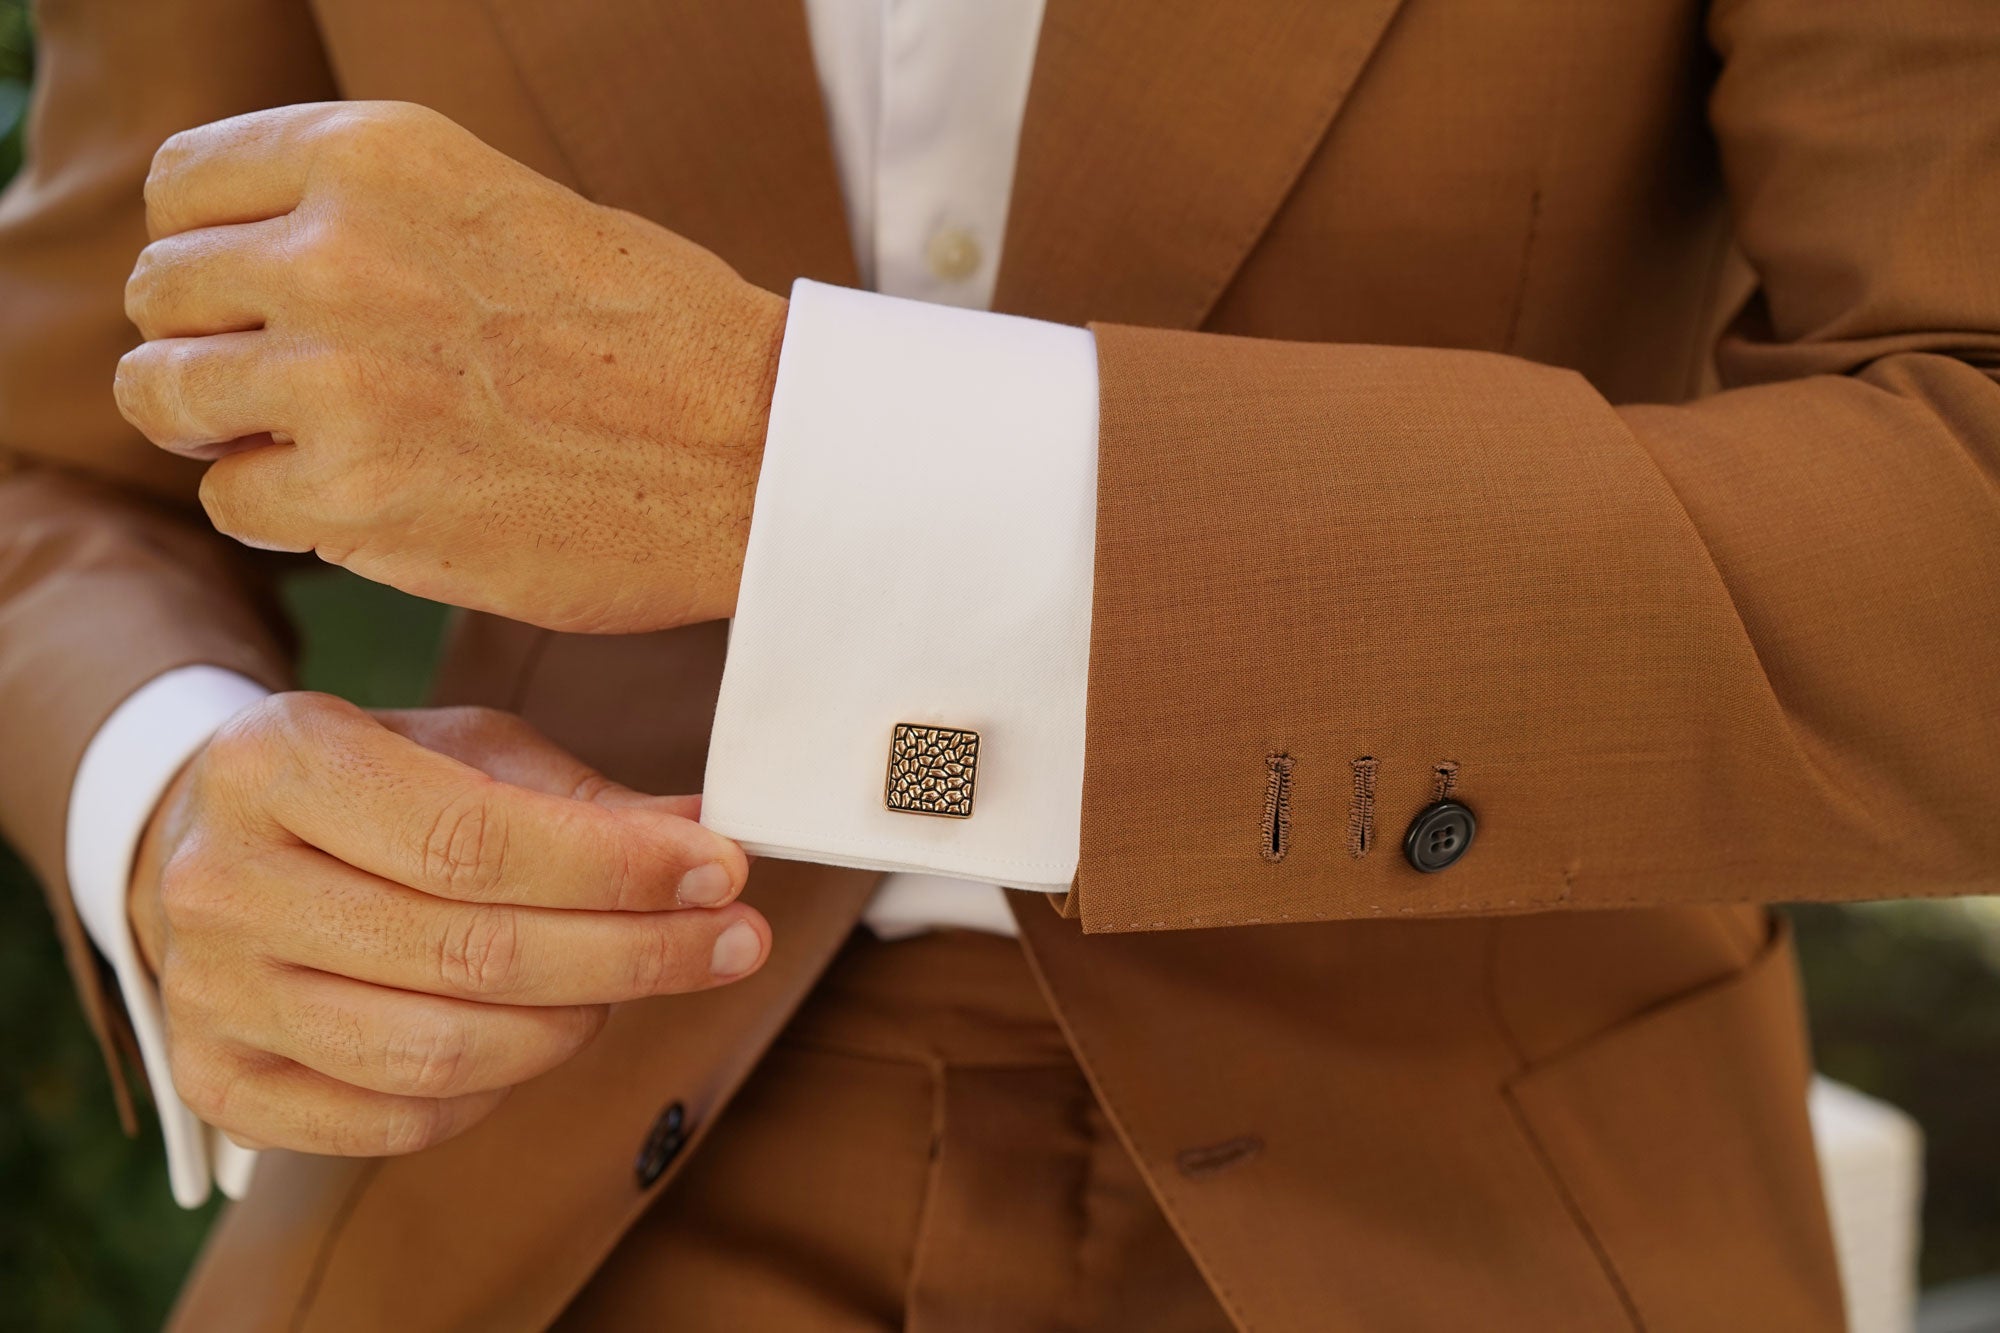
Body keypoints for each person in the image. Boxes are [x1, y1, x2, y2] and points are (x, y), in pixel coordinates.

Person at [2, 0, 1995, 1328]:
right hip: (517, 1175)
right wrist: (167, 794)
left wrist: (796, 459)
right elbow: (57, 454)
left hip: (1482, 1182)